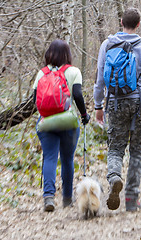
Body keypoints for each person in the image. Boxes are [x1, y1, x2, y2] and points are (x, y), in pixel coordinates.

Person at [93, 8, 141, 212]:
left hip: (115, 103)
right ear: (139, 24)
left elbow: (99, 79)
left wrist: (98, 106)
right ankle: (132, 199)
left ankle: (114, 176)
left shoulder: (107, 45)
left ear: (121, 22)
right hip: (140, 103)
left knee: (115, 148)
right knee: (137, 151)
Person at [33, 39, 90, 212]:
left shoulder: (41, 73)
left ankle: (48, 197)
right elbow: (78, 95)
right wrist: (84, 115)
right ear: (68, 54)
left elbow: (35, 98)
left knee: (50, 157)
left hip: (46, 121)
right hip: (68, 121)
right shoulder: (73, 71)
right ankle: (66, 198)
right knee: (67, 159)